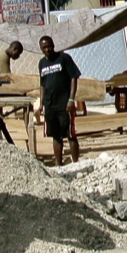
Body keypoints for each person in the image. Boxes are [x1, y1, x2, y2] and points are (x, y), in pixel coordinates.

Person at [38, 35, 81, 166]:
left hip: (64, 104)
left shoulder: (64, 58)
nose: (47, 49)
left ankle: (75, 163)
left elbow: (74, 77)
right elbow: (42, 84)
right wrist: (41, 103)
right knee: (56, 136)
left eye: (49, 46)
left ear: (53, 45)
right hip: (50, 105)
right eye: (44, 47)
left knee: (70, 134)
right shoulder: (42, 63)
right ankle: (58, 164)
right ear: (41, 48)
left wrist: (71, 99)